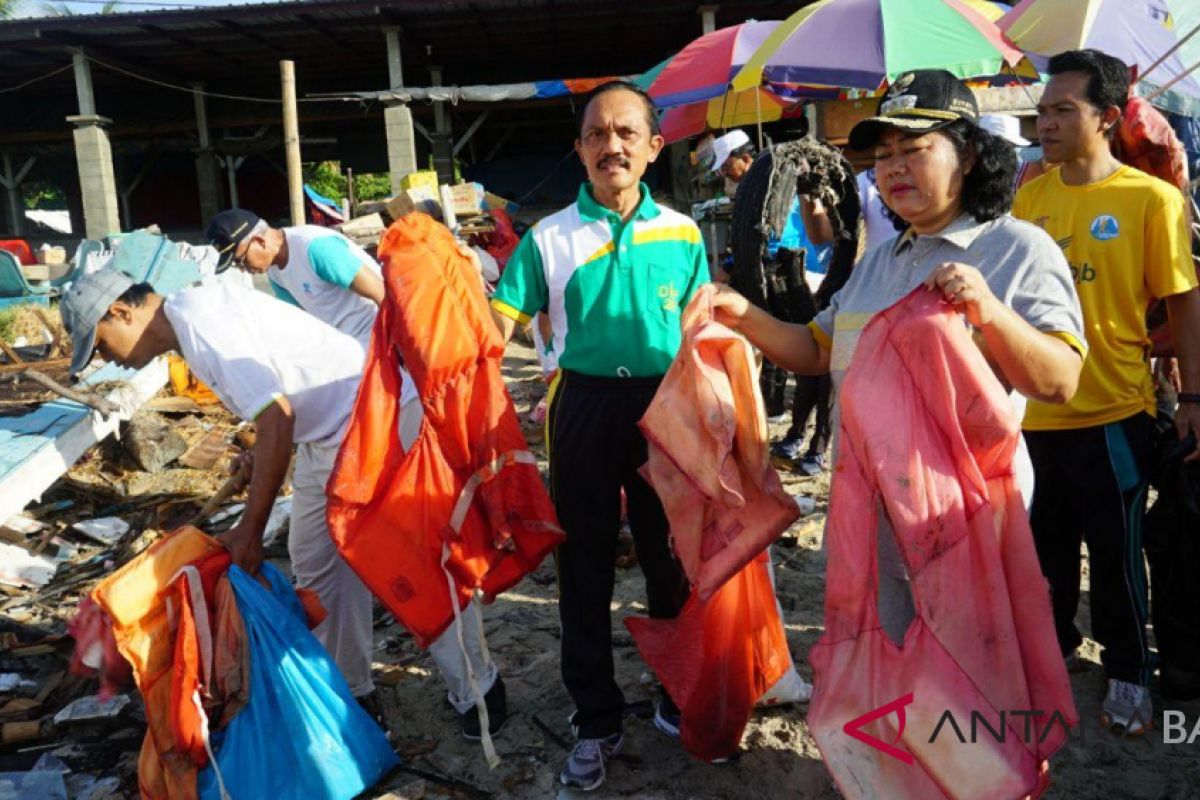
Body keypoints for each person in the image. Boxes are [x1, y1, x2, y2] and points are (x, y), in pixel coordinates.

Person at [708, 67, 1086, 659]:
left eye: (914, 149)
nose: (893, 168)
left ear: (966, 157)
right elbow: (817, 349)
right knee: (888, 667)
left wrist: (988, 309)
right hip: (870, 519)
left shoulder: (1015, 249)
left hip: (968, 523)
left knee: (967, 679)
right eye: (883, 155)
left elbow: (1060, 380)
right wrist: (741, 316)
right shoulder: (883, 259)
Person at [202, 209, 507, 742]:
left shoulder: (317, 249)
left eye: (241, 255)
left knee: (411, 550)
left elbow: (392, 301)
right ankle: (352, 690)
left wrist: (408, 385)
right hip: (337, 419)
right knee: (316, 559)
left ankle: (479, 687)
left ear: (258, 236)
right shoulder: (274, 273)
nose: (245, 268)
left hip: (386, 405)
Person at [488, 81, 706, 792]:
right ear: (580, 149)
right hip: (580, 407)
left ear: (653, 147)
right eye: (595, 134)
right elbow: (495, 327)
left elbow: (707, 332)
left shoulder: (684, 233)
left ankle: (678, 694)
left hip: (664, 409)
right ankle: (596, 717)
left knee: (669, 557)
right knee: (582, 566)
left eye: (625, 133)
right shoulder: (548, 237)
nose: (611, 146)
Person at [1012, 48, 1200, 735]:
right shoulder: (1029, 198)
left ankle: (1129, 672)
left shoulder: (1150, 199)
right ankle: (1056, 650)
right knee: (1044, 551)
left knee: (1118, 558)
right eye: (1043, 111)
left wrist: (1194, 400)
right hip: (1034, 415)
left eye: (1063, 110)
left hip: (1113, 412)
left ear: (1109, 118)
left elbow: (1182, 304)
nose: (1046, 124)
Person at [711, 130, 837, 475]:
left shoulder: (781, 191)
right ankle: (796, 434)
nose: (725, 175)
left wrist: (731, 270)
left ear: (746, 159)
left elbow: (774, 240)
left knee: (821, 367)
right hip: (787, 281)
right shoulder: (753, 192)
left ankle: (818, 446)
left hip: (808, 280)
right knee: (801, 365)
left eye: (727, 168)